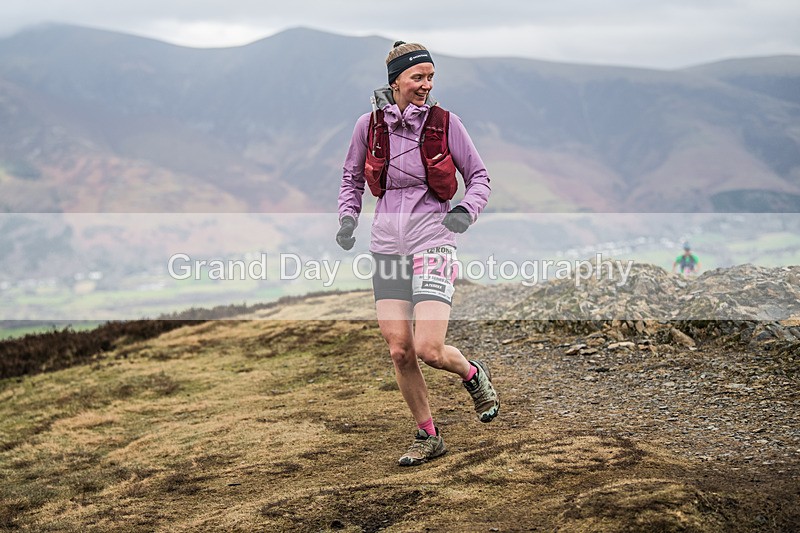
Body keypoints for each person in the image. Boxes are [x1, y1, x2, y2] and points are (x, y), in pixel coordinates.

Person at [336, 41, 499, 466]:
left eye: (430, 77)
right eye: (418, 77)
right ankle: (428, 435)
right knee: (399, 350)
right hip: (387, 246)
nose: (426, 85)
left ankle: (471, 373)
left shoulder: (446, 123)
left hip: (434, 240)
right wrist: (348, 219)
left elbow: (479, 177)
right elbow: (351, 178)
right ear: (396, 82)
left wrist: (466, 210)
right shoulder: (368, 126)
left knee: (429, 347)